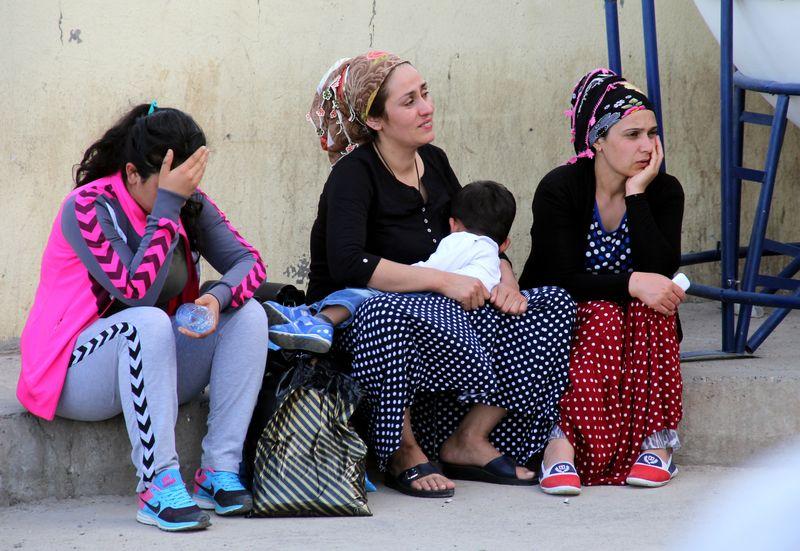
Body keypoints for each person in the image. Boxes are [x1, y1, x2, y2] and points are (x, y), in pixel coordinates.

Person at [300, 51, 575, 498]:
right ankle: (404, 450)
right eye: (408, 101)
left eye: (425, 93)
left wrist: (504, 277)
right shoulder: (353, 176)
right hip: (367, 316)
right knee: (382, 313)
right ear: (375, 120)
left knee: (552, 304)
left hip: (442, 310)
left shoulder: (436, 160)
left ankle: (468, 439)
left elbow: (475, 232)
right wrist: (442, 281)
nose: (426, 107)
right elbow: (350, 265)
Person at [17, 104, 268, 531]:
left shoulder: (187, 202)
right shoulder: (88, 207)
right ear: (132, 174)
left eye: (189, 183)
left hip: (152, 367)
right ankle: (158, 484)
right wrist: (165, 210)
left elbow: (251, 264)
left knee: (249, 315)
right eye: (171, 186)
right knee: (147, 320)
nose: (186, 194)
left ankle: (218, 471)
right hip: (73, 373)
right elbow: (136, 293)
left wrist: (218, 298)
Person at [519, 68, 685, 494]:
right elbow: (558, 277)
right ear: (597, 140)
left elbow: (661, 268)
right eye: (632, 135)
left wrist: (637, 194)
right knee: (603, 314)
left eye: (652, 133)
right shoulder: (561, 188)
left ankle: (657, 443)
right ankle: (560, 445)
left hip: (637, 321)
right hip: (564, 315)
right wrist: (630, 283)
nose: (647, 146)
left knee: (658, 303)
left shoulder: (664, 191)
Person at [264, 180, 517, 353]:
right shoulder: (494, 260)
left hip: (433, 304)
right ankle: (307, 317)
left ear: (452, 224)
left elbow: (430, 271)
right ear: (504, 244)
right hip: (457, 319)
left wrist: (399, 276)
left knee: (365, 294)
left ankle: (317, 321)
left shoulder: (463, 241)